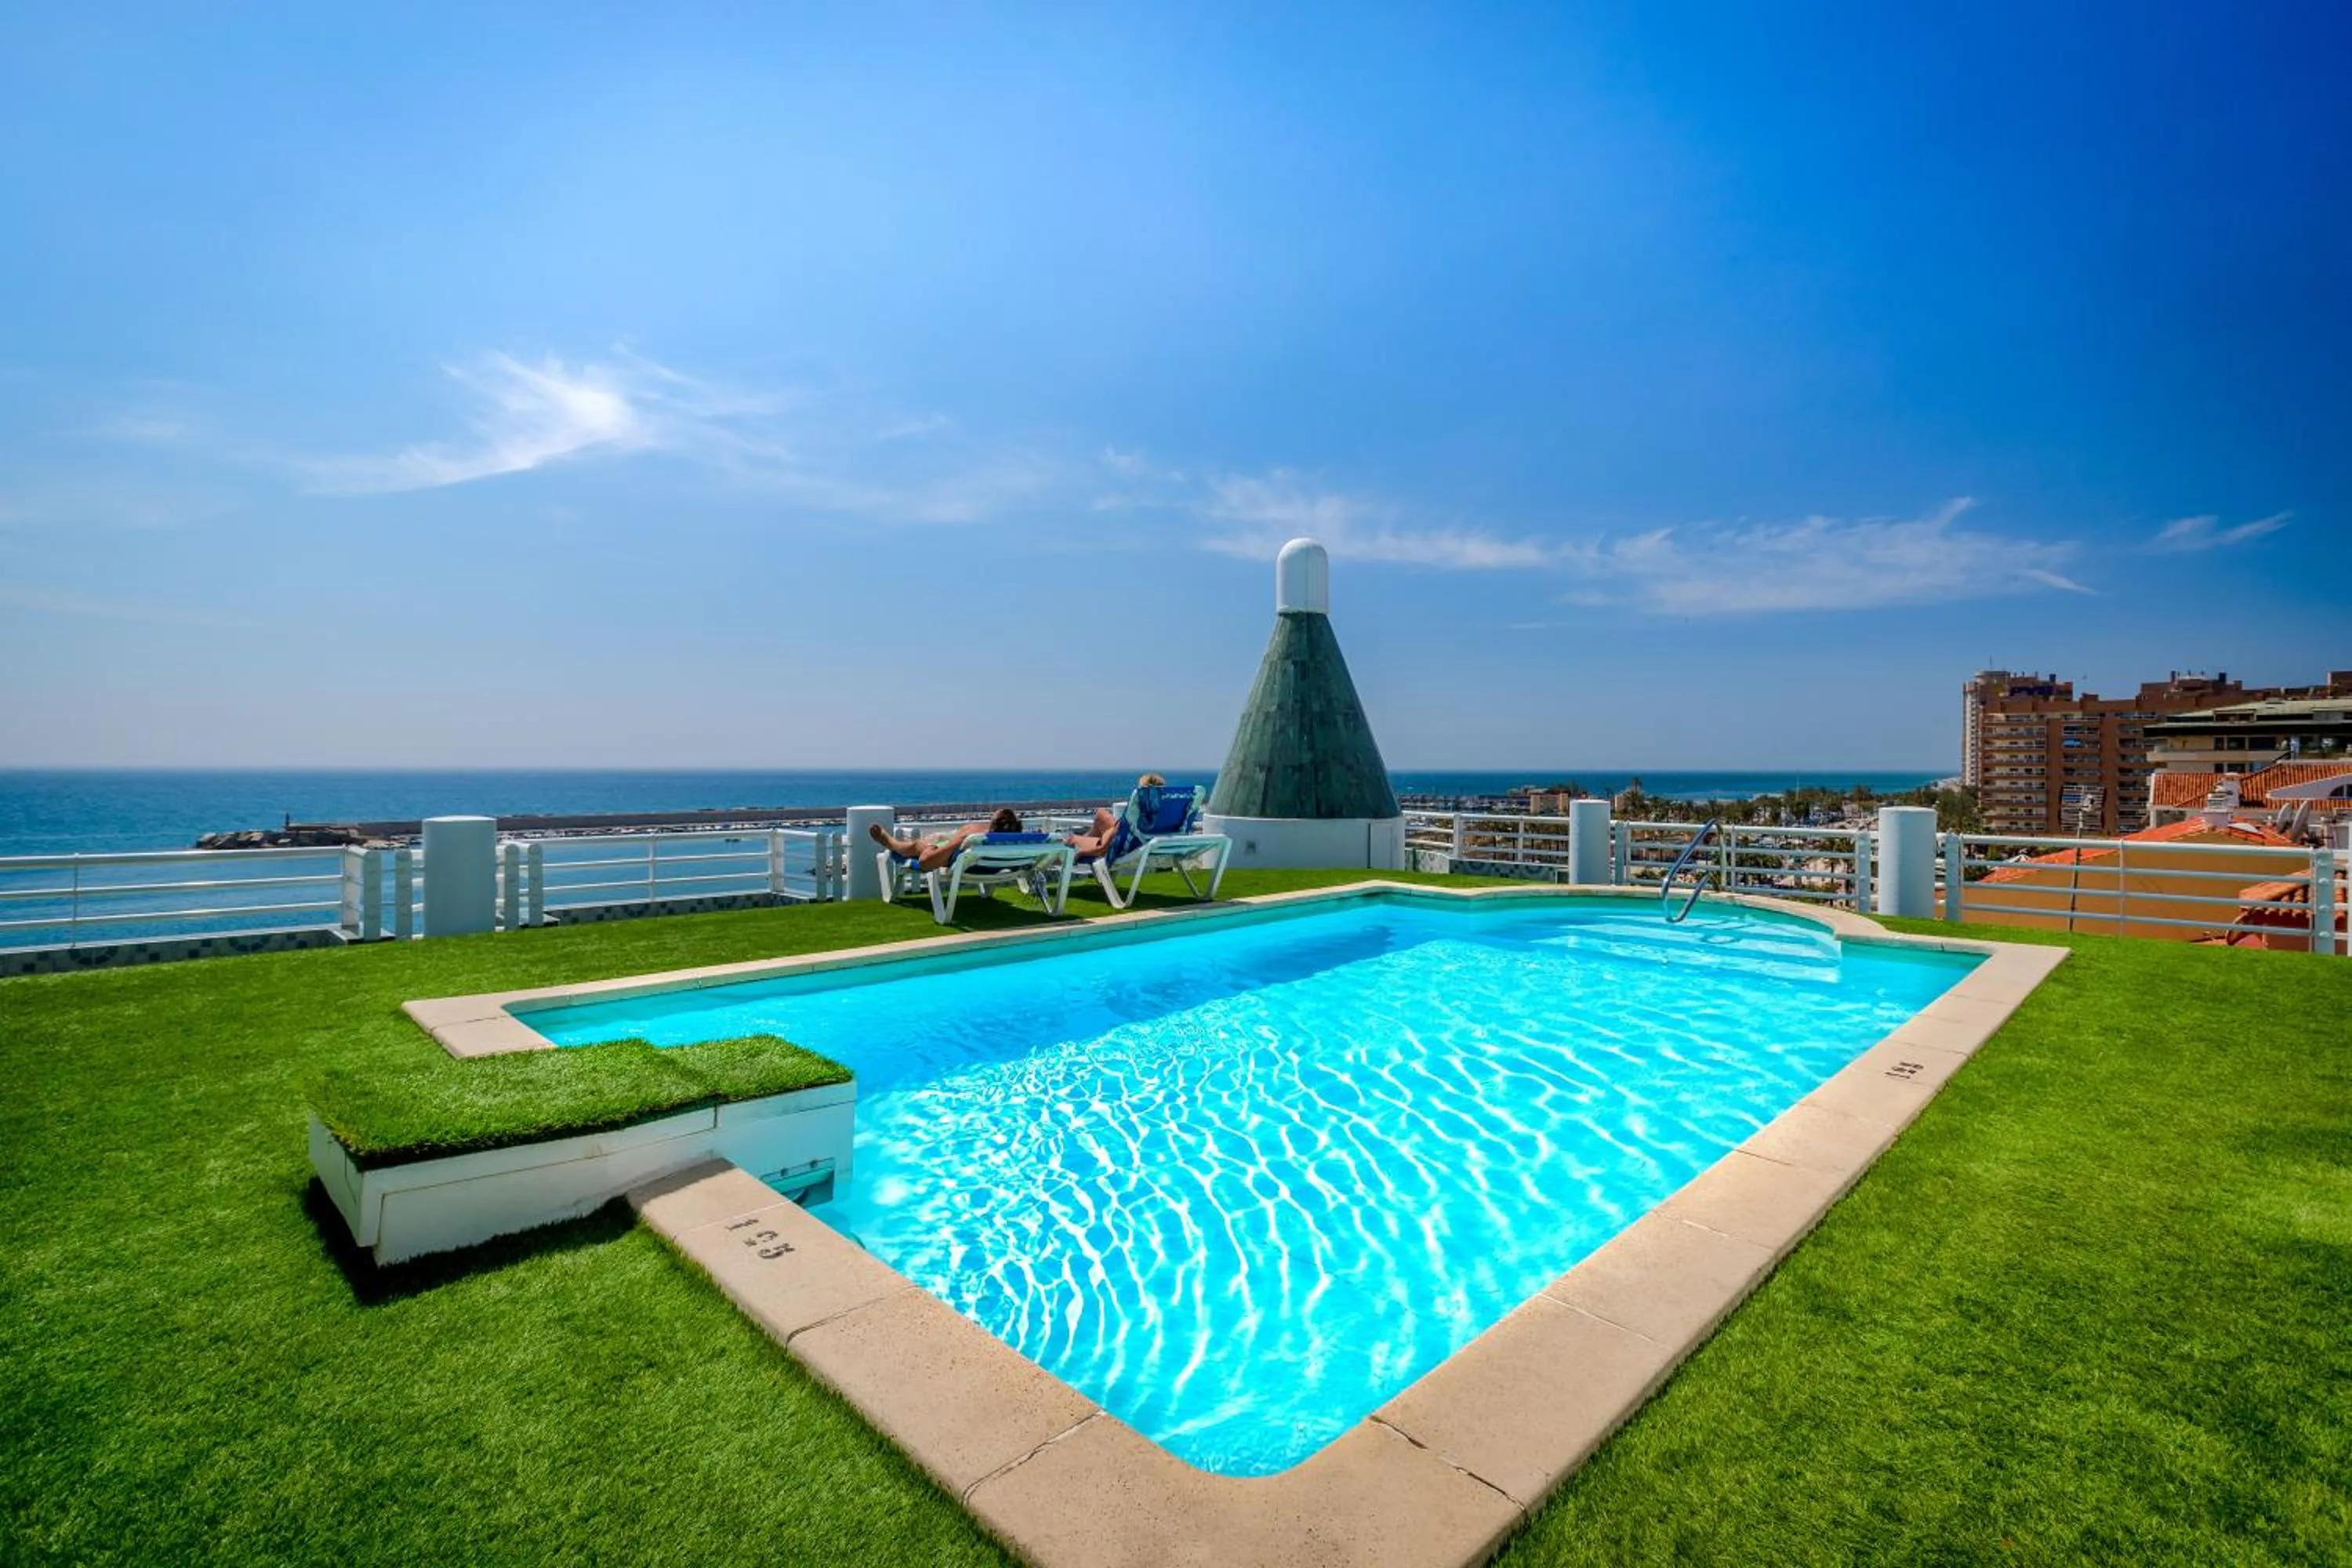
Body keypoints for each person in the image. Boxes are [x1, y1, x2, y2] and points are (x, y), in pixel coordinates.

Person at [869, 807, 1025, 873]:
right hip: (988, 864)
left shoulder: (971, 837)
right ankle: (936, 839)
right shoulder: (1018, 842)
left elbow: (925, 862)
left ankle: (890, 843)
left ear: (992, 825)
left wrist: (930, 848)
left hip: (958, 859)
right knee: (939, 838)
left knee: (919, 845)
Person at [1065, 773, 1167, 858]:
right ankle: (1087, 839)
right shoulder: (1161, 816)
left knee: (1071, 840)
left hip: (1117, 846)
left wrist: (1082, 853)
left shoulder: (1134, 819)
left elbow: (1102, 849)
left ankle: (1084, 842)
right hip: (1133, 840)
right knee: (1101, 813)